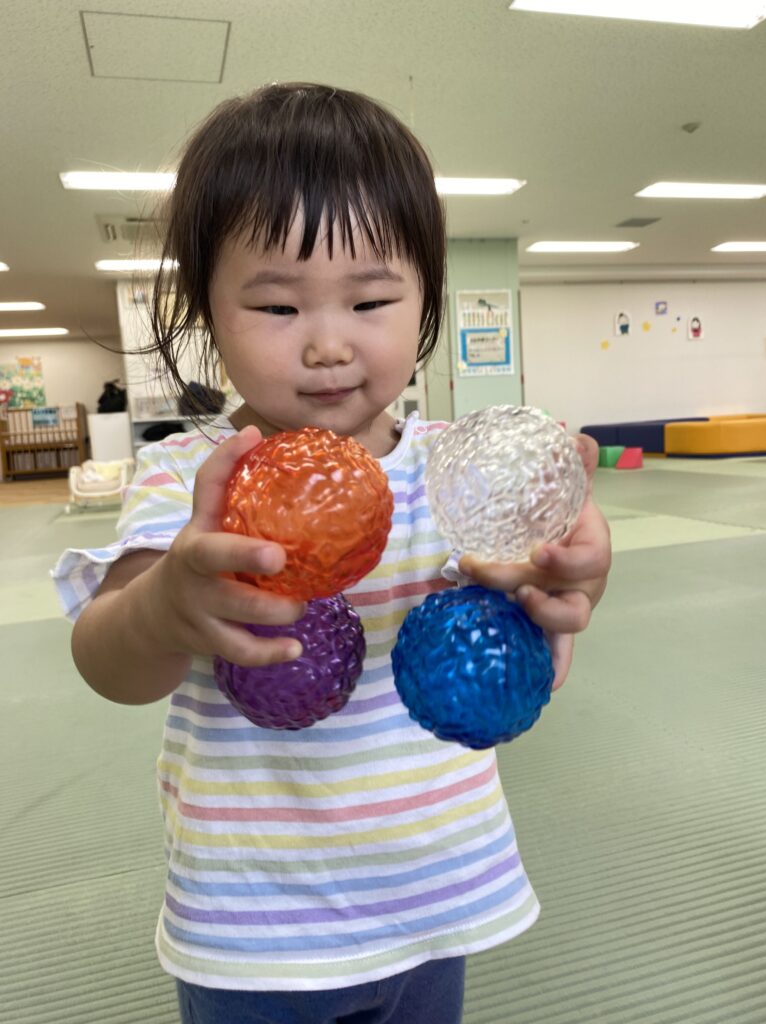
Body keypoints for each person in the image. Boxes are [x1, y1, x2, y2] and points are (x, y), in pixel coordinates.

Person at [53, 83, 611, 1024]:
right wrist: (164, 608)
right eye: (277, 304)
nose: (327, 345)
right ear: (207, 311)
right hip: (256, 930)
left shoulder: (459, 470)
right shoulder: (194, 476)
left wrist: (571, 574)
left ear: (424, 299)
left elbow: (541, 588)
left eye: (372, 299)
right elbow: (110, 664)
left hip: (436, 900)